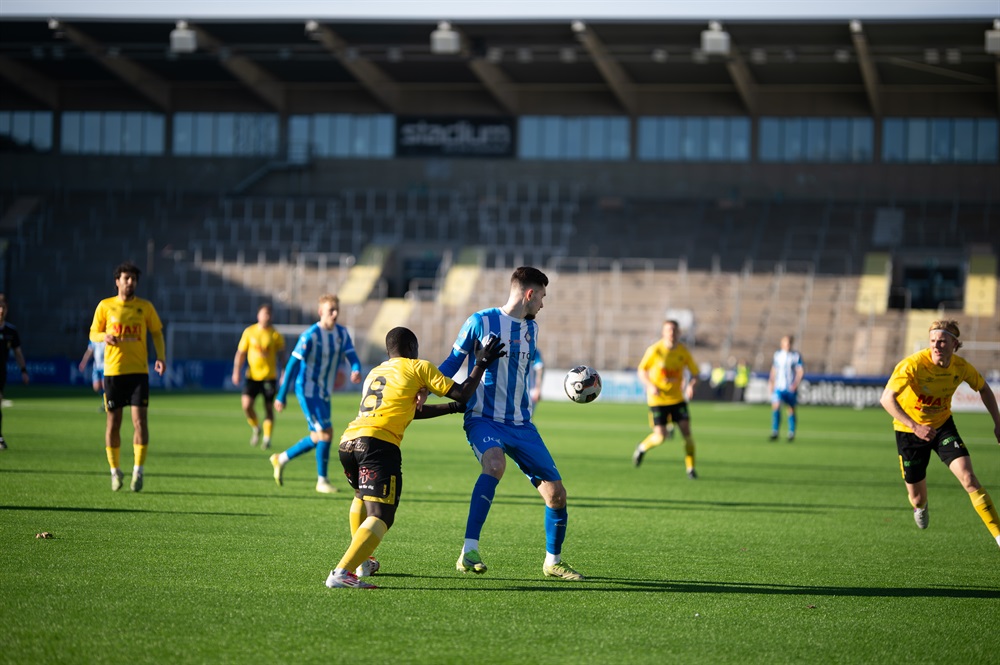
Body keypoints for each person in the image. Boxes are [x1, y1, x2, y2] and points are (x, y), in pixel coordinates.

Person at [326, 326, 506, 589]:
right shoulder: (418, 367)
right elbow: (463, 392)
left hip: (349, 442)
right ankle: (342, 572)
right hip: (378, 445)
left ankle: (362, 562)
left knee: (361, 497)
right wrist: (481, 363)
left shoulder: (376, 372)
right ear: (412, 348)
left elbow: (408, 410)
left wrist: (451, 408)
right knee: (382, 515)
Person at [440, 266, 584, 581]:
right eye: (542, 297)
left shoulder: (532, 329)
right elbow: (452, 362)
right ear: (529, 294)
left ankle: (553, 562)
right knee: (495, 465)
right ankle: (469, 550)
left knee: (557, 495)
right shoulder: (480, 321)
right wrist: (424, 387)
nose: (543, 304)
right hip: (484, 419)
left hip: (521, 425)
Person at [879, 320, 1000, 549]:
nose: (936, 345)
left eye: (942, 341)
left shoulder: (961, 367)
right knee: (917, 498)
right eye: (933, 341)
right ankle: (920, 507)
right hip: (909, 431)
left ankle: (998, 536)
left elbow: (984, 389)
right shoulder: (913, 364)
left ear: (954, 344)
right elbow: (886, 399)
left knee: (969, 478)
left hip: (942, 426)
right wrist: (915, 426)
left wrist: (998, 422)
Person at [271, 294, 361, 494]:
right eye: (331, 310)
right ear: (321, 312)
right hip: (308, 391)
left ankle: (281, 459)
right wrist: (282, 395)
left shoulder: (342, 333)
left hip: (324, 392)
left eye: (337, 310)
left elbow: (352, 356)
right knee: (326, 433)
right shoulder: (310, 335)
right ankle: (322, 480)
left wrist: (356, 369)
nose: (335, 314)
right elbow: (292, 365)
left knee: (316, 436)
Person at [88, 262, 165, 491]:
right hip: (113, 373)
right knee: (113, 423)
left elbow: (156, 332)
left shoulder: (145, 307)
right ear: (117, 281)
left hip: (139, 373)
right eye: (126, 278)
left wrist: (161, 357)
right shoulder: (105, 306)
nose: (130, 282)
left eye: (134, 279)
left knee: (140, 422)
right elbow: (93, 332)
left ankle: (138, 470)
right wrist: (104, 337)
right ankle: (114, 471)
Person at [632, 320, 700, 478]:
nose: (671, 333)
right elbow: (642, 370)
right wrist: (650, 385)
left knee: (687, 433)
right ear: (663, 332)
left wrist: (691, 385)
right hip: (658, 400)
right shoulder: (655, 350)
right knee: (660, 437)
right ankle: (642, 448)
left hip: (677, 399)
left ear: (679, 333)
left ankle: (690, 468)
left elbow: (696, 373)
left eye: (674, 330)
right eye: (668, 330)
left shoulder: (683, 352)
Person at [232, 303, 285, 449]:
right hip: (252, 376)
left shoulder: (275, 334)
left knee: (269, 408)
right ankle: (256, 427)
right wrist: (236, 371)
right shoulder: (249, 332)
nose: (267, 316)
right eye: (264, 314)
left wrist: (284, 373)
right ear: (258, 315)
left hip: (269, 377)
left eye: (269, 314)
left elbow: (282, 356)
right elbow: (241, 353)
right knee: (246, 405)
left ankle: (267, 438)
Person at [0, 295, 29, 450]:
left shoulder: (10, 331)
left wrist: (23, 370)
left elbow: (17, 352)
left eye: (3, 308)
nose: (1, 310)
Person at [768, 335, 804, 442]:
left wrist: (795, 384)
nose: (787, 345)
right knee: (776, 406)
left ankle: (791, 433)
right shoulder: (778, 355)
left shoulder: (795, 355)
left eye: (788, 343)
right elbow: (774, 369)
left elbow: (800, 371)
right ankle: (775, 432)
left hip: (790, 388)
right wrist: (771, 382)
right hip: (779, 387)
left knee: (791, 409)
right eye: (785, 342)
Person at [79, 340, 107, 409]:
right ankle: (105, 399)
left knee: (105, 386)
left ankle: (106, 403)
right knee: (96, 387)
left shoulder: (106, 337)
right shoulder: (93, 338)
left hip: (106, 366)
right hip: (97, 366)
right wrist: (83, 362)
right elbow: (89, 351)